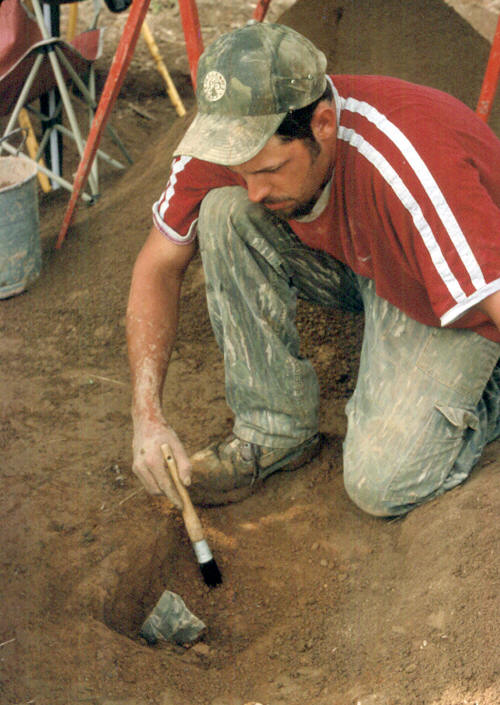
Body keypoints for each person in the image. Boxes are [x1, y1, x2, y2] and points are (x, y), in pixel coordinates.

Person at [126, 21, 500, 517]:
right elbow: (157, 267)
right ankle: (273, 432)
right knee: (224, 212)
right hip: (368, 259)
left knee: (382, 484)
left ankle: (486, 394)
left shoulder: (409, 159)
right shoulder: (235, 142)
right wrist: (146, 416)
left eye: (267, 170)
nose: (254, 189)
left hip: (456, 292)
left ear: (323, 125)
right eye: (241, 170)